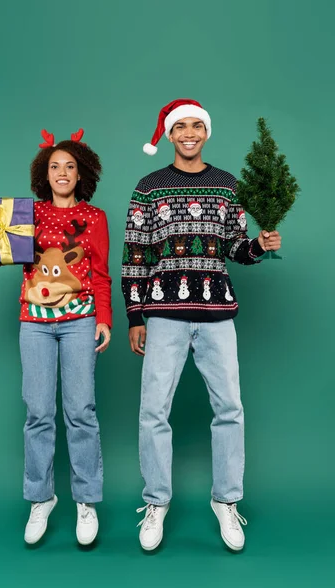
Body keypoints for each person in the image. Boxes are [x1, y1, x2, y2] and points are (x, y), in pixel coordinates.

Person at [121, 99, 281, 552]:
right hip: (164, 314)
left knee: (229, 407)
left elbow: (235, 249)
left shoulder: (227, 185)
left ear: (205, 132)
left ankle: (226, 501)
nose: (189, 133)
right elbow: (136, 255)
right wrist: (136, 315)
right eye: (180, 127)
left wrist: (259, 245)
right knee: (153, 411)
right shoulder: (149, 187)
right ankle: (156, 502)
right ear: (169, 135)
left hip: (216, 317)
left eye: (197, 126)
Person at [0, 128, 112, 546]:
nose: (62, 173)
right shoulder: (25, 214)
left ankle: (86, 501)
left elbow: (102, 273)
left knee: (81, 411)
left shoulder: (95, 218)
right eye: (55, 167)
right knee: (38, 413)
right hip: (33, 323)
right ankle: (41, 497)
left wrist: (104, 318)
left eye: (70, 166)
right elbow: (0, 248)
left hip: (80, 321)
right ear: (44, 174)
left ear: (82, 172)